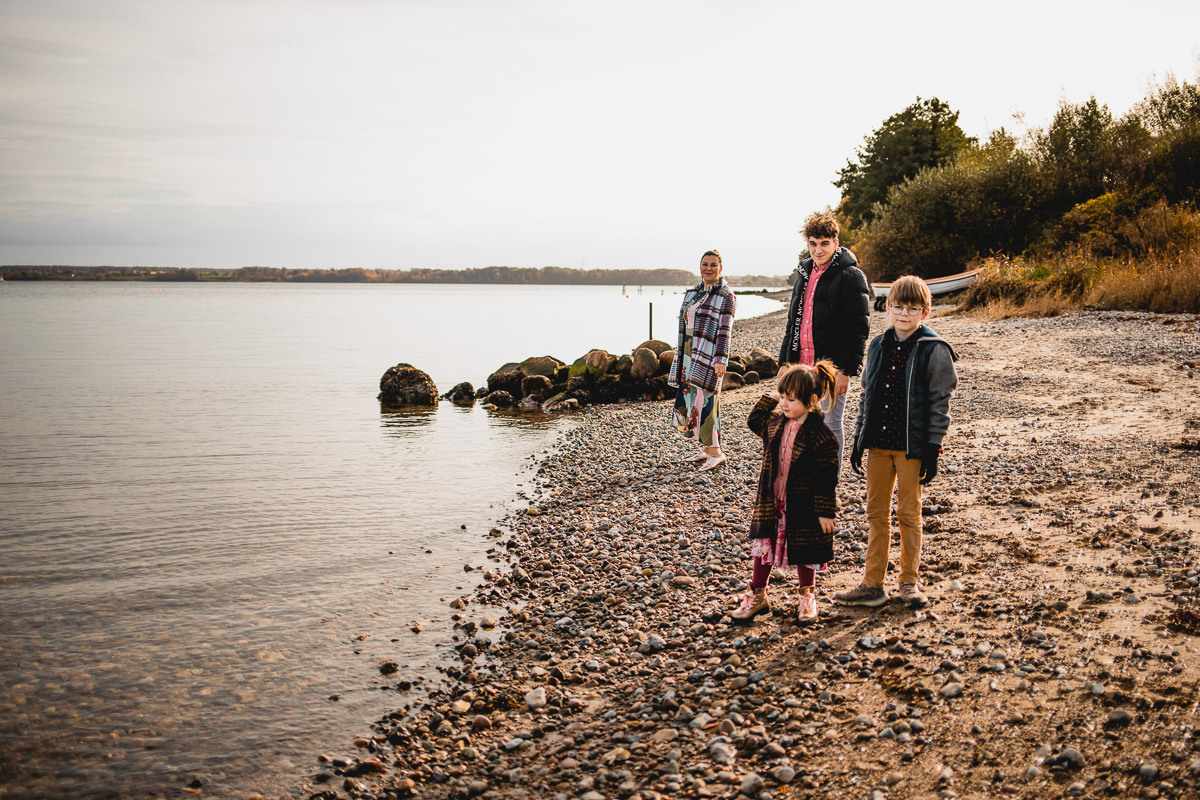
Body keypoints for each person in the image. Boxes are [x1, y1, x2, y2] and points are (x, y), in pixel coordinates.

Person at [835, 275, 958, 608]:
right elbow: (867, 393)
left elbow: (939, 402)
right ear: (887, 308)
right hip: (878, 443)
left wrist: (932, 448)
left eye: (912, 308)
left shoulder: (934, 349)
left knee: (908, 514)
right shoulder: (877, 345)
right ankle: (872, 585)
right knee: (876, 514)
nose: (904, 314)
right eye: (898, 306)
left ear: (925, 312)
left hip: (912, 446)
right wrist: (859, 438)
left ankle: (908, 582)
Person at [733, 361, 840, 625]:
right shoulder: (774, 423)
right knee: (764, 546)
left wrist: (826, 512)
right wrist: (770, 398)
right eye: (783, 397)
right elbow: (753, 420)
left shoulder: (822, 436)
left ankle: (807, 598)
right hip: (773, 500)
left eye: (790, 399)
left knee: (805, 550)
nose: (784, 403)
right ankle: (758, 594)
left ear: (811, 400)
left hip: (804, 504)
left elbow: (827, 478)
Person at [777, 214, 870, 465]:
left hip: (831, 368)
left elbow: (858, 328)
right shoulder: (804, 275)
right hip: (801, 366)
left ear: (836, 242)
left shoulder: (851, 276)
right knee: (800, 423)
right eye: (813, 243)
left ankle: (830, 483)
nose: (818, 250)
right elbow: (793, 323)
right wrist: (785, 362)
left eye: (825, 243)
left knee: (830, 424)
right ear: (807, 244)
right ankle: (807, 480)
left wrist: (846, 371)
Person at [668, 249, 736, 472]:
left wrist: (721, 359)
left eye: (713, 265)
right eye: (705, 264)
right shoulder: (692, 293)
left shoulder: (726, 296)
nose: (708, 268)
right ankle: (706, 448)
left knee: (708, 401)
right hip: (688, 351)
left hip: (708, 352)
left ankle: (716, 452)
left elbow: (725, 331)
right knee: (692, 400)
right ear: (700, 266)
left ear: (720, 268)